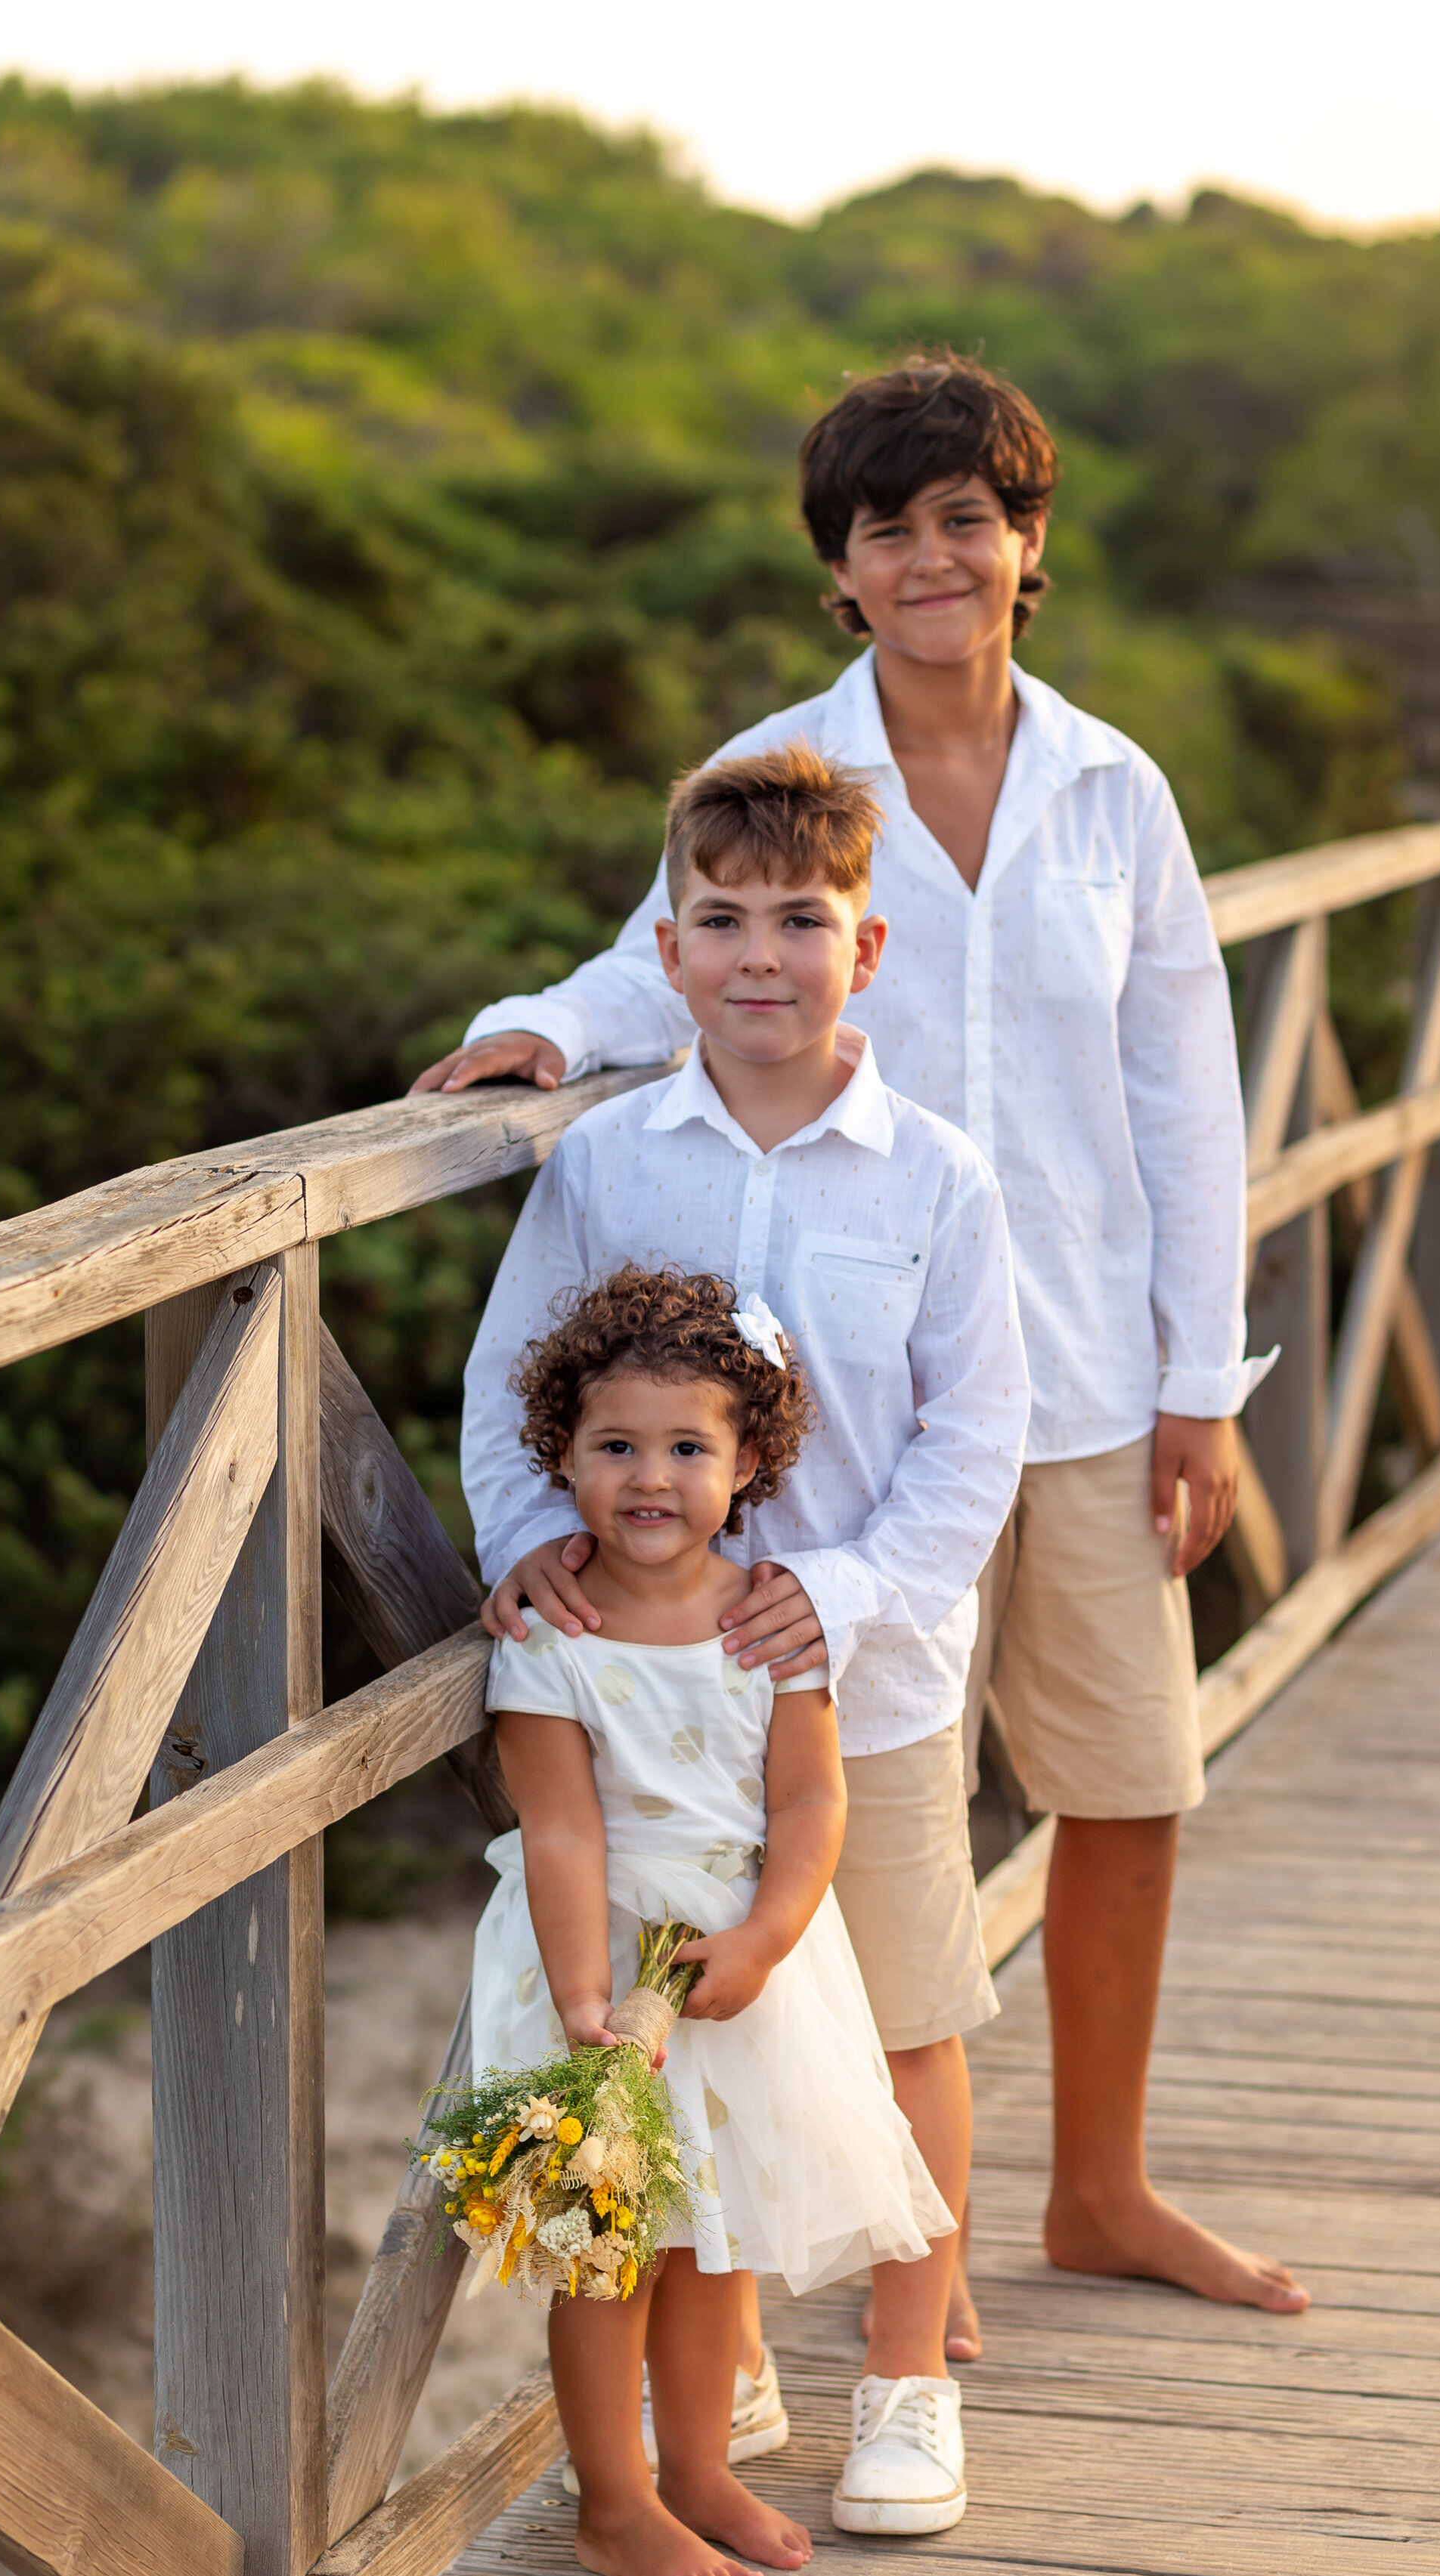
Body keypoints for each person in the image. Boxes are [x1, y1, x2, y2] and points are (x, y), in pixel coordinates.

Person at [419, 353, 1310, 2326]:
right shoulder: (790, 771)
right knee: (883, 1813)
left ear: (1025, 545)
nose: (929, 557)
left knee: (1124, 1779)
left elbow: (1184, 1088)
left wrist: (1199, 1381)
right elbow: (677, 948)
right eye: (884, 528)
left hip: (1080, 1371)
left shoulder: (1110, 789)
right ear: (838, 565)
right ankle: (919, 2225)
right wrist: (547, 1033)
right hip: (851, 1416)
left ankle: (1099, 2185)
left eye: (964, 521)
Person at [462, 741, 1030, 2532]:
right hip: (637, 1702)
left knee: (898, 2018)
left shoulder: (934, 1177)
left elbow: (975, 1436)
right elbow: (505, 1381)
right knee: (667, 2034)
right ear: (670, 944)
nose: (764, 953)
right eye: (725, 919)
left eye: (805, 919)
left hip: (856, 1683)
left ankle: (907, 2376)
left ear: (869, 951)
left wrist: (843, 1593)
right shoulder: (615, 1159)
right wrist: (531, 1541)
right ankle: (720, 2383)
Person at [475, 1263, 955, 2576]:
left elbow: (810, 1801)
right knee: (609, 2246)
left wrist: (768, 1940)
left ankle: (694, 2470)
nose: (649, 1477)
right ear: (560, 1456)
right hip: (604, 1968)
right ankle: (612, 2502)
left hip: (737, 1962)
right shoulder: (549, 1635)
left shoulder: (771, 1620)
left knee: (708, 2244)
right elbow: (562, 1829)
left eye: (688, 1448)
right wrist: (587, 2012)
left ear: (749, 1463)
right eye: (613, 1446)